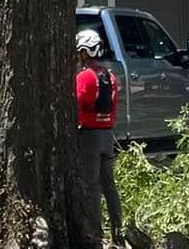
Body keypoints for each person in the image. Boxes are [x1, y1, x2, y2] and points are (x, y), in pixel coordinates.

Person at [75, 28, 123, 247]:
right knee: (109, 186)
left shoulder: (84, 77)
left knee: (91, 187)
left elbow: (76, 102)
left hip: (89, 137)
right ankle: (118, 232)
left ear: (85, 52)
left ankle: (95, 236)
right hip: (107, 135)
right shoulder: (111, 77)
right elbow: (113, 107)